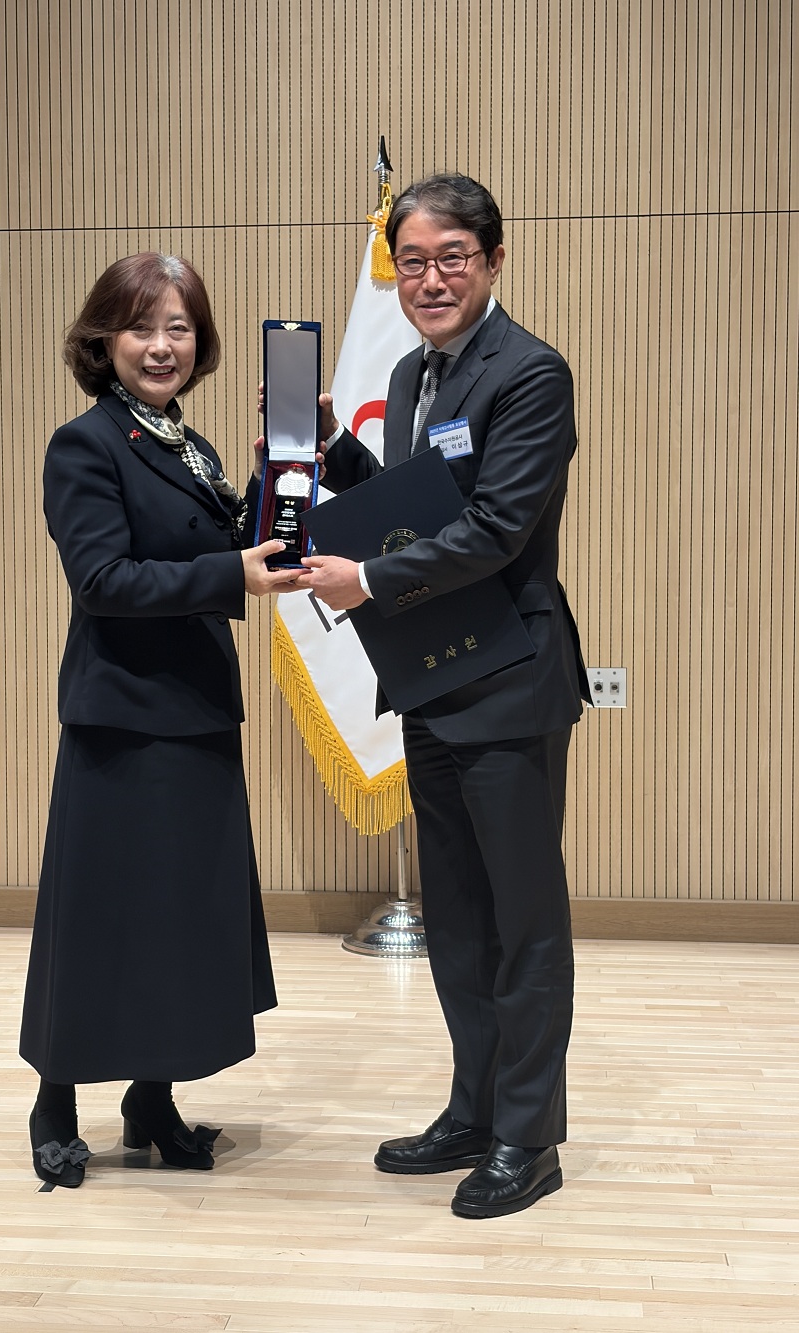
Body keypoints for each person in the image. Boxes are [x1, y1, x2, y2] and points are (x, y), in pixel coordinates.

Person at [295, 174, 590, 1218]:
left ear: (494, 261)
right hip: (432, 678)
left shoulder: (529, 372)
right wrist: (332, 449)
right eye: (411, 261)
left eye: (451, 256)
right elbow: (417, 507)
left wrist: (365, 581)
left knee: (523, 921)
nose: (429, 279)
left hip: (508, 680)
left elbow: (494, 528)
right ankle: (473, 1106)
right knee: (460, 922)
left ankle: (528, 1135)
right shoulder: (422, 376)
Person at [19, 253, 298, 1188]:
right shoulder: (86, 444)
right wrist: (234, 574)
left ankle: (152, 1096)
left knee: (181, 918)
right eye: (142, 326)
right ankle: (54, 1100)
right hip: (123, 721)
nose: (161, 345)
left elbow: (217, 544)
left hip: (198, 714)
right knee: (100, 917)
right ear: (104, 339)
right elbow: (103, 583)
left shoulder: (188, 444)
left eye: (179, 327)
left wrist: (274, 484)